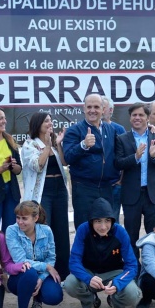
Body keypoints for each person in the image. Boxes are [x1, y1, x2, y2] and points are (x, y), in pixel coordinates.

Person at [64, 198, 141, 308]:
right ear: (91, 221)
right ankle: (91, 301)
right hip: (89, 272)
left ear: (112, 220)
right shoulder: (83, 230)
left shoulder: (120, 231)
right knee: (69, 283)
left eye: (107, 221)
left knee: (132, 293)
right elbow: (74, 262)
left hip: (114, 273)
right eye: (98, 221)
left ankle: (116, 303)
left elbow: (132, 265)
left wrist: (118, 283)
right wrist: (88, 278)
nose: (103, 226)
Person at [114, 103, 155, 257]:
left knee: (154, 235)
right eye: (134, 115)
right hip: (131, 195)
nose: (137, 118)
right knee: (131, 234)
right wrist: (136, 157)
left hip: (154, 195)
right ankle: (134, 270)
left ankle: (152, 267)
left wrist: (154, 156)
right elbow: (118, 163)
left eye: (141, 115)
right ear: (130, 118)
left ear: (147, 117)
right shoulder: (122, 139)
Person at [20, 112, 70, 278]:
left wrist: (58, 145)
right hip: (43, 192)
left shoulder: (54, 143)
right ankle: (45, 271)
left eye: (51, 120)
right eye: (46, 121)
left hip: (60, 190)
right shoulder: (29, 145)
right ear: (38, 124)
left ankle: (63, 272)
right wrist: (48, 146)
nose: (50, 123)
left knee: (62, 231)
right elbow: (37, 165)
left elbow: (64, 163)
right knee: (44, 230)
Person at [6, 201, 64, 308]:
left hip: (41, 274)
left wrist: (42, 278)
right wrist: (47, 267)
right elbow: (20, 260)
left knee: (55, 296)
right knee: (30, 272)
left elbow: (51, 257)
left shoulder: (46, 231)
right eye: (18, 218)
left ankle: (37, 298)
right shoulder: (11, 231)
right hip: (21, 275)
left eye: (24, 218)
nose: (20, 222)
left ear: (35, 218)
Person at [62, 93, 118, 229]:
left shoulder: (111, 129)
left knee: (107, 228)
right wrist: (83, 145)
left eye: (96, 107)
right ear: (84, 108)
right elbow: (68, 157)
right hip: (84, 188)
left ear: (103, 109)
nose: (92, 110)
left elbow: (119, 153)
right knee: (84, 227)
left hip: (107, 188)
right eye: (89, 107)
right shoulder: (73, 130)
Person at [102, 96, 126, 223]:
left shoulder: (119, 129)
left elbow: (124, 156)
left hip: (114, 184)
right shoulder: (88, 129)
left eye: (103, 107)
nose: (100, 110)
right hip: (96, 186)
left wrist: (121, 180)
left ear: (110, 111)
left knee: (113, 219)